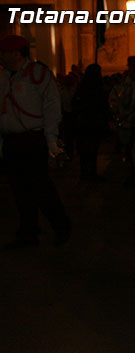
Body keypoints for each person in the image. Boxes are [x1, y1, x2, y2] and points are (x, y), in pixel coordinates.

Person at [0, 35, 71, 248]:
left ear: (15, 53)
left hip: (32, 140)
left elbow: (51, 108)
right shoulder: (3, 77)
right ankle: (28, 233)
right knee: (19, 190)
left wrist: (51, 140)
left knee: (41, 187)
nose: (1, 56)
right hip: (11, 141)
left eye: (4, 52)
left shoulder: (38, 74)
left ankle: (61, 227)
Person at [72, 63, 110, 181]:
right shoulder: (97, 88)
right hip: (93, 123)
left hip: (84, 123)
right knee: (91, 150)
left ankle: (85, 173)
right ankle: (90, 173)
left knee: (85, 150)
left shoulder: (82, 87)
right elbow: (103, 106)